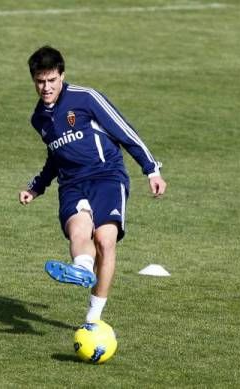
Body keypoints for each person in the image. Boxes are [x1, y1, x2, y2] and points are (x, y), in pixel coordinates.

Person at [19, 46, 167, 323]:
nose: (46, 87)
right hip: (72, 184)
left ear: (62, 75)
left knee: (105, 241)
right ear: (33, 80)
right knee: (79, 231)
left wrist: (151, 170)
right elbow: (56, 155)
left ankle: (93, 316)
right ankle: (83, 269)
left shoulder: (86, 98)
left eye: (51, 80)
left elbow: (124, 130)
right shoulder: (38, 119)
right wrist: (36, 187)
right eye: (40, 81)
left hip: (107, 177)